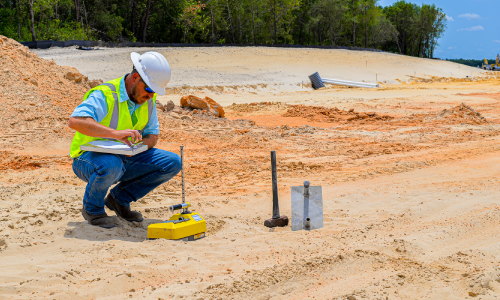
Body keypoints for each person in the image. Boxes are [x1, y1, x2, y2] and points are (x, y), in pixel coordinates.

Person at [68, 52, 181, 229]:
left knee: (172, 162)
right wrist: (114, 134)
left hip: (124, 156)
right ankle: (92, 209)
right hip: (88, 158)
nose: (151, 96)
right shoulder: (105, 94)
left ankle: (118, 200)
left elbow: (152, 136)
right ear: (135, 77)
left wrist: (137, 148)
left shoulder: (148, 100)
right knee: (111, 165)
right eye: (149, 89)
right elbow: (75, 121)